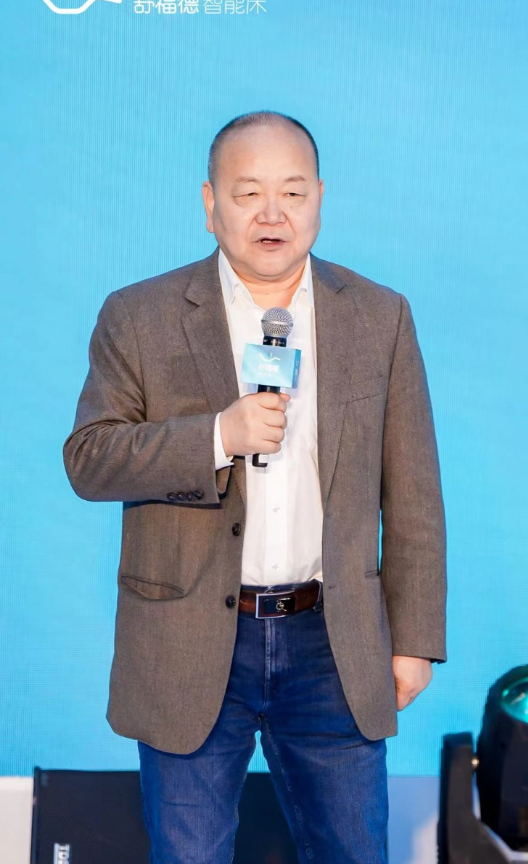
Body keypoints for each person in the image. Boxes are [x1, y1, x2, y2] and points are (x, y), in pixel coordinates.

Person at [63, 110, 447, 863]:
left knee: (353, 851)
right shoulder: (139, 315)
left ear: (319, 199)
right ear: (210, 204)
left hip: (332, 640)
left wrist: (415, 642)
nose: (273, 213)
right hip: (188, 638)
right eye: (248, 194)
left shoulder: (380, 315)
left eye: (292, 193)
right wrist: (217, 436)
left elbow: (414, 492)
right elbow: (90, 458)